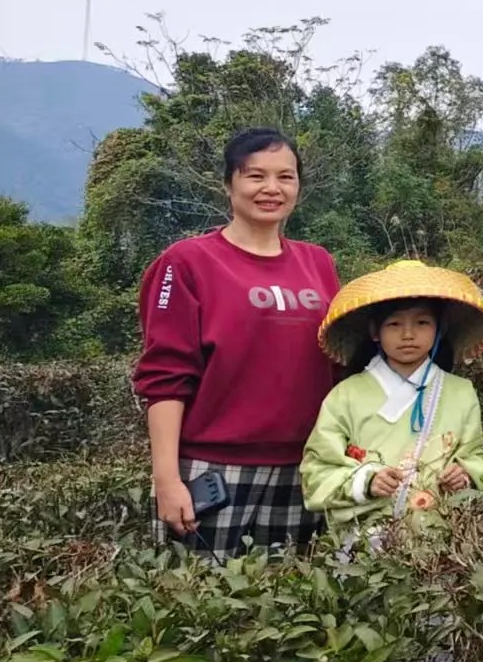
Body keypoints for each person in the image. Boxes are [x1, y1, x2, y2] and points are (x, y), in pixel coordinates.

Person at [132, 128, 342, 559]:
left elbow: (343, 358)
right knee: (201, 612)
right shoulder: (187, 262)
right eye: (255, 176)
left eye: (286, 177)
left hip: (306, 466)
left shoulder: (317, 262)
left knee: (295, 611)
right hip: (214, 469)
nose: (271, 189)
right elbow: (165, 377)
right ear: (229, 184)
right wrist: (167, 479)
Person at [300, 262, 483, 533]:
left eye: (422, 323)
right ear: (374, 331)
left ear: (439, 328)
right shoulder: (346, 395)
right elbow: (317, 471)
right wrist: (367, 481)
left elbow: (475, 457)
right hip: (365, 543)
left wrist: (466, 475)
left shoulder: (461, 392)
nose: (408, 334)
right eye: (394, 324)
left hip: (443, 544)